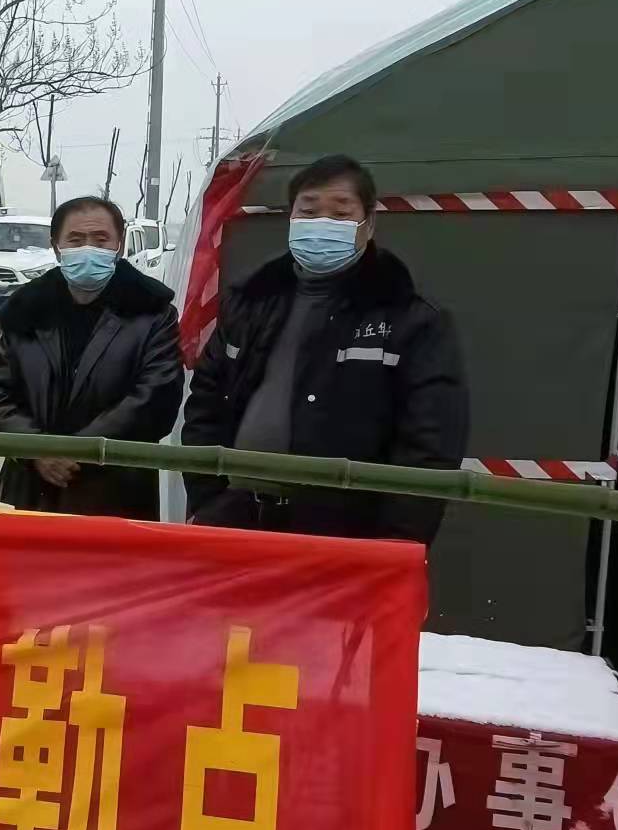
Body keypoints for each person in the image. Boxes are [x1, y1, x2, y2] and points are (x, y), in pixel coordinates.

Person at [182, 153, 469, 541]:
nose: (322, 225)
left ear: (368, 225)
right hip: (236, 519)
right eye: (309, 211)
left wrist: (397, 541)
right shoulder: (249, 302)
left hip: (346, 537)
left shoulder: (410, 319)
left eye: (339, 213)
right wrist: (207, 500)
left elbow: (430, 444)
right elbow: (204, 404)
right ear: (290, 219)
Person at [0, 195, 183, 518]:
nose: (89, 248)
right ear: (57, 246)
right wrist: (37, 450)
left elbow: (156, 397)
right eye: (76, 239)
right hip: (30, 488)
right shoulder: (26, 310)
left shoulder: (152, 313)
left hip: (115, 490)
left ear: (119, 244)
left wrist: (80, 452)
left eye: (101, 239)